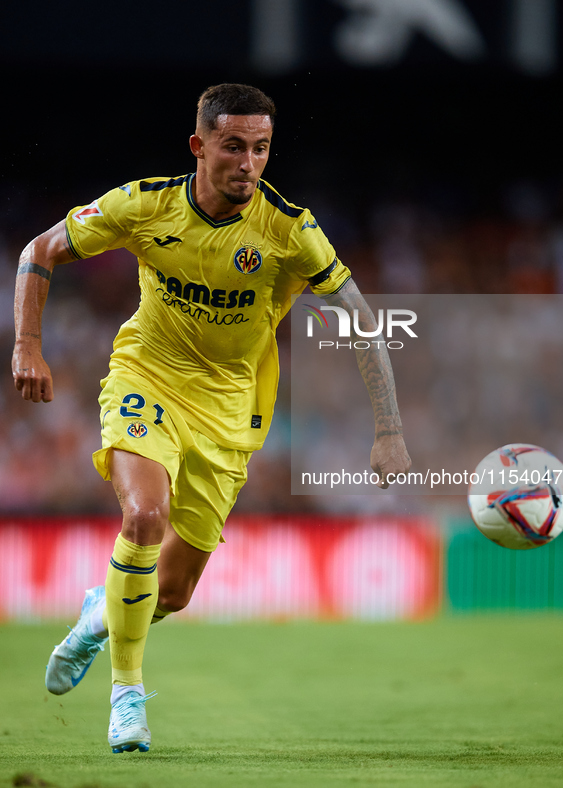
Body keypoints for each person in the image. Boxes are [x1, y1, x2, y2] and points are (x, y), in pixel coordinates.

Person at [12, 83, 411, 753]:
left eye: (260, 149)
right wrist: (27, 345)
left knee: (170, 593)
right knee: (143, 517)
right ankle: (127, 697)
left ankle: (97, 615)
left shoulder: (290, 230)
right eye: (232, 147)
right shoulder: (143, 206)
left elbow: (362, 321)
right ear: (198, 146)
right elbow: (40, 250)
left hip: (231, 412)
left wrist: (390, 427)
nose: (248, 163)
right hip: (149, 377)